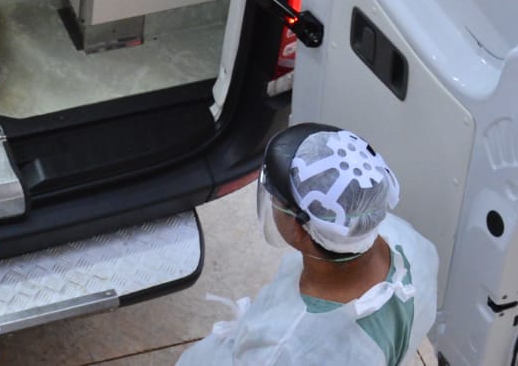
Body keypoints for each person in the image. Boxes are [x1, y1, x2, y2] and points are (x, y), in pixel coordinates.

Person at [178, 123, 438, 365]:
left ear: (302, 229)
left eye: (276, 200)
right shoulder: (408, 241)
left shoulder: (288, 347)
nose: (271, 202)